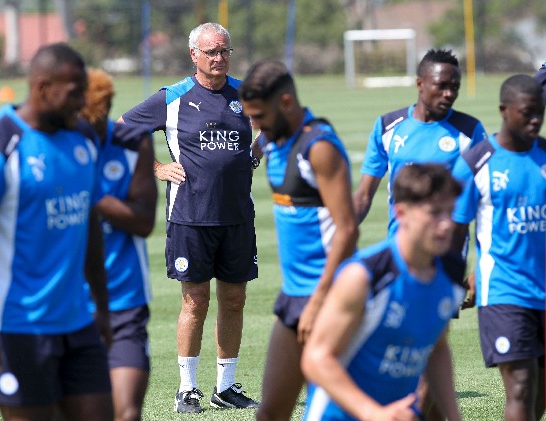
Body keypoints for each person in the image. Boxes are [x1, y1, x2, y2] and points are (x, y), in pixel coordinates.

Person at [0, 43, 113, 420]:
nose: (83, 102)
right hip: (17, 327)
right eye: (75, 92)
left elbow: (89, 225)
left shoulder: (85, 140)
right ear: (43, 88)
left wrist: (104, 308)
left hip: (78, 322)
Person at [118, 22, 259, 413]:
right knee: (195, 300)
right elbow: (120, 131)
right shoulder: (173, 96)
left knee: (234, 300)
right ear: (194, 55)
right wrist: (157, 167)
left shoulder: (246, 94)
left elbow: (277, 123)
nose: (219, 58)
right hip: (190, 215)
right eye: (211, 51)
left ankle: (225, 387)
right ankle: (187, 389)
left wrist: (259, 144)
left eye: (225, 51)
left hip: (237, 217)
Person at [238, 60, 359, 421]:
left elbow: (348, 228)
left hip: (328, 299)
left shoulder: (319, 148)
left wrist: (319, 298)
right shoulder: (272, 142)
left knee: (327, 415)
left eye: (259, 116)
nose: (256, 126)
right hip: (293, 298)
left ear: (286, 102)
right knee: (271, 411)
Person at [302, 163, 466, 421]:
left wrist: (454, 417)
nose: (447, 224)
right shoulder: (365, 276)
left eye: (450, 212)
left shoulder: (451, 271)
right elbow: (316, 358)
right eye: (435, 213)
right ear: (401, 213)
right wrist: (373, 413)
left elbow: (437, 347)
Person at [451, 74, 545, 421]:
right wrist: (451, 281)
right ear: (505, 111)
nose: (536, 120)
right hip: (504, 292)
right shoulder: (476, 163)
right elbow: (454, 231)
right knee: (520, 385)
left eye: (541, 112)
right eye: (527, 113)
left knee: (538, 395)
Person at [80, 68, 158, 421]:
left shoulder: (132, 142)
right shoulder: (52, 142)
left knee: (125, 413)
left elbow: (144, 222)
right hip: (65, 304)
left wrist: (87, 192)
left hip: (123, 300)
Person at [354, 48, 487, 237]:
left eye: (454, 87)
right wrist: (341, 232)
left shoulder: (470, 130)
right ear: (420, 84)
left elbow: (488, 194)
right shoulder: (387, 126)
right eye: (441, 86)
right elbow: (364, 195)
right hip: (400, 244)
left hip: (446, 247)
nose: (449, 94)